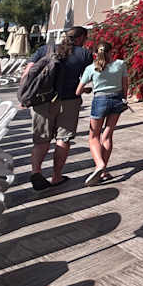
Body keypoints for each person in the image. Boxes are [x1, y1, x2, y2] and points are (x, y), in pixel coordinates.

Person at [24, 26, 94, 190]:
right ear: (81, 38)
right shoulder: (84, 54)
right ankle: (56, 176)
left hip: (41, 101)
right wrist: (84, 89)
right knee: (63, 139)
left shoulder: (45, 49)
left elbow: (27, 73)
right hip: (69, 101)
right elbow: (87, 77)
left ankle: (36, 172)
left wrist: (25, 95)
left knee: (41, 140)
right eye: (85, 38)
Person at [76, 41, 128, 186]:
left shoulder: (91, 68)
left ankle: (99, 164)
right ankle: (104, 171)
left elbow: (78, 91)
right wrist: (124, 99)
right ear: (111, 52)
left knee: (94, 136)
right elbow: (125, 85)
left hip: (100, 101)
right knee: (107, 135)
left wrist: (87, 90)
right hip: (117, 100)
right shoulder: (120, 64)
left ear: (95, 54)